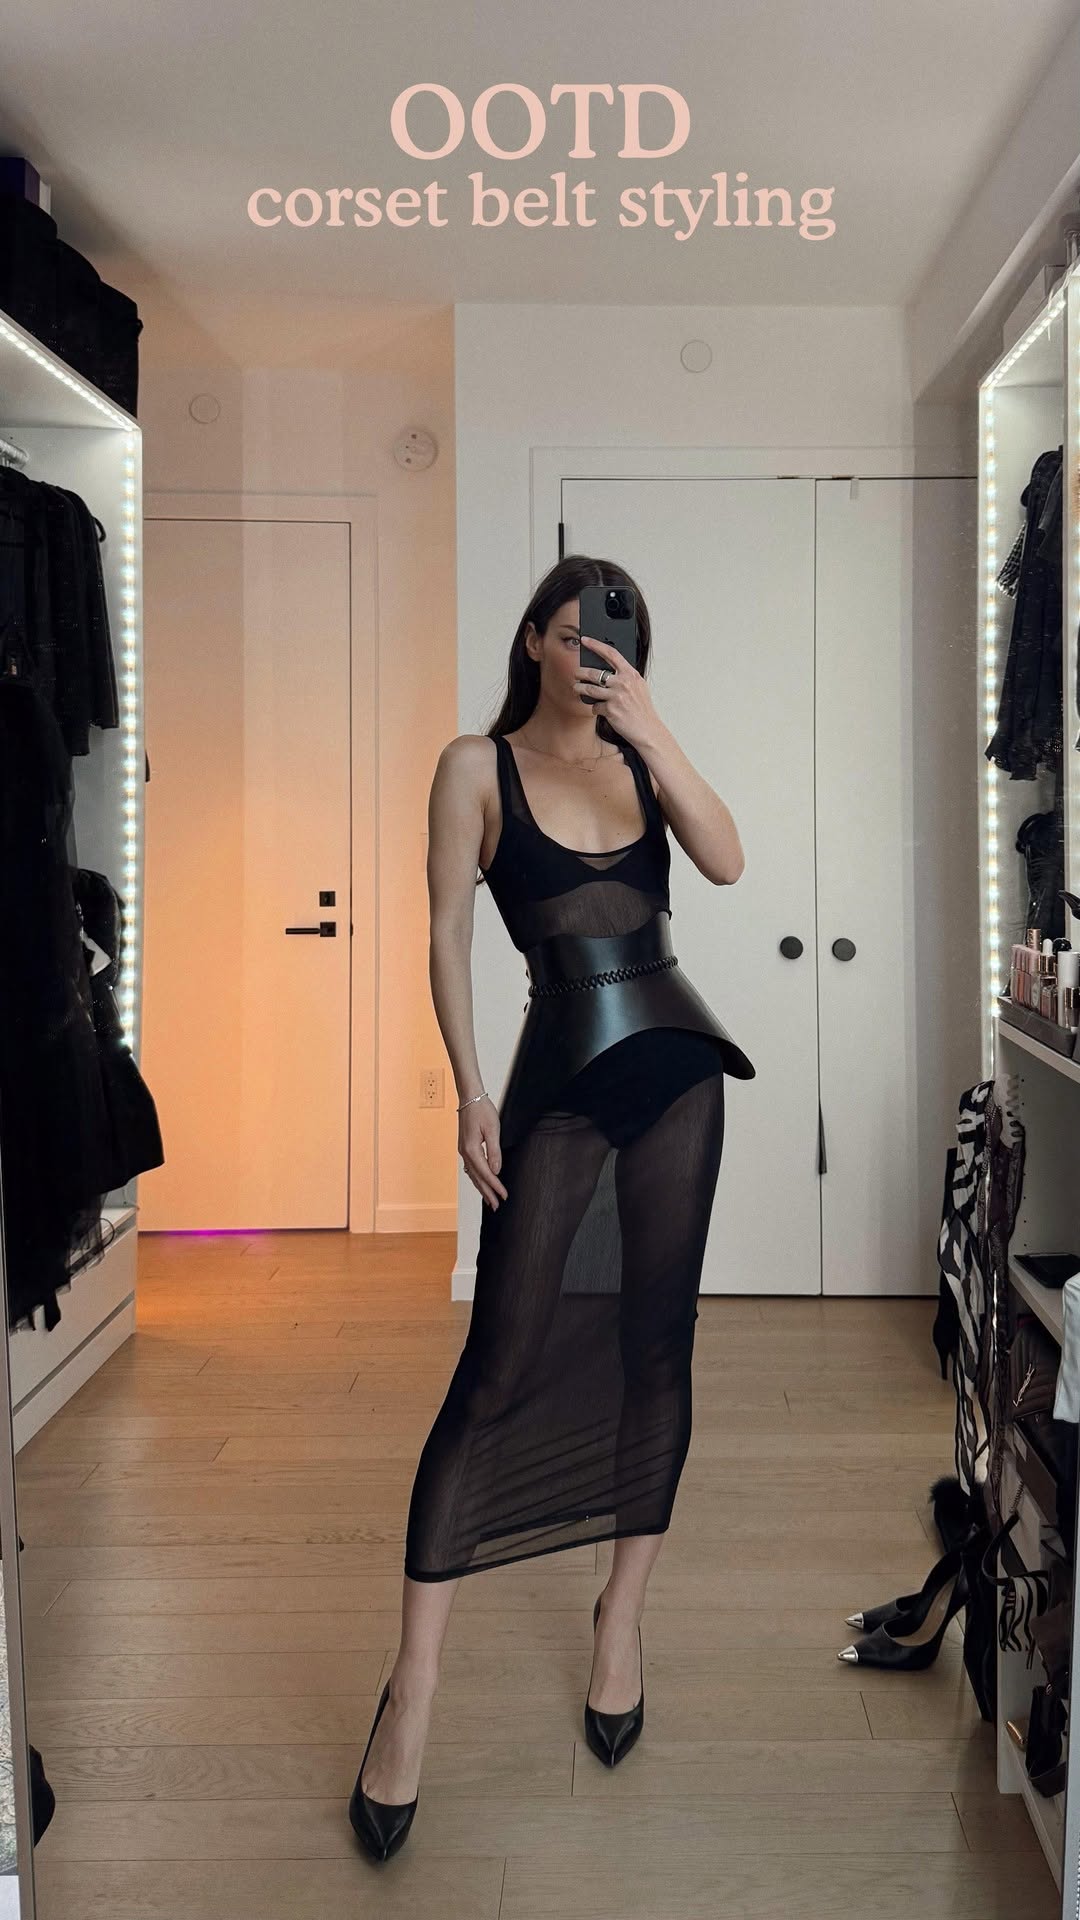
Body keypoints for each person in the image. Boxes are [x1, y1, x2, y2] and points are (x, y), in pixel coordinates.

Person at [348, 554, 755, 1861]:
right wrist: (470, 1089)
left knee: (657, 1351)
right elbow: (447, 933)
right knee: (498, 1368)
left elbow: (727, 862)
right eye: (575, 636)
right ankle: (413, 1687)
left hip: (679, 1069)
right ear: (533, 640)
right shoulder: (476, 765)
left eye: (614, 641)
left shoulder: (642, 758)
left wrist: (655, 727)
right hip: (556, 1076)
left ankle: (620, 1621)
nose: (593, 658)